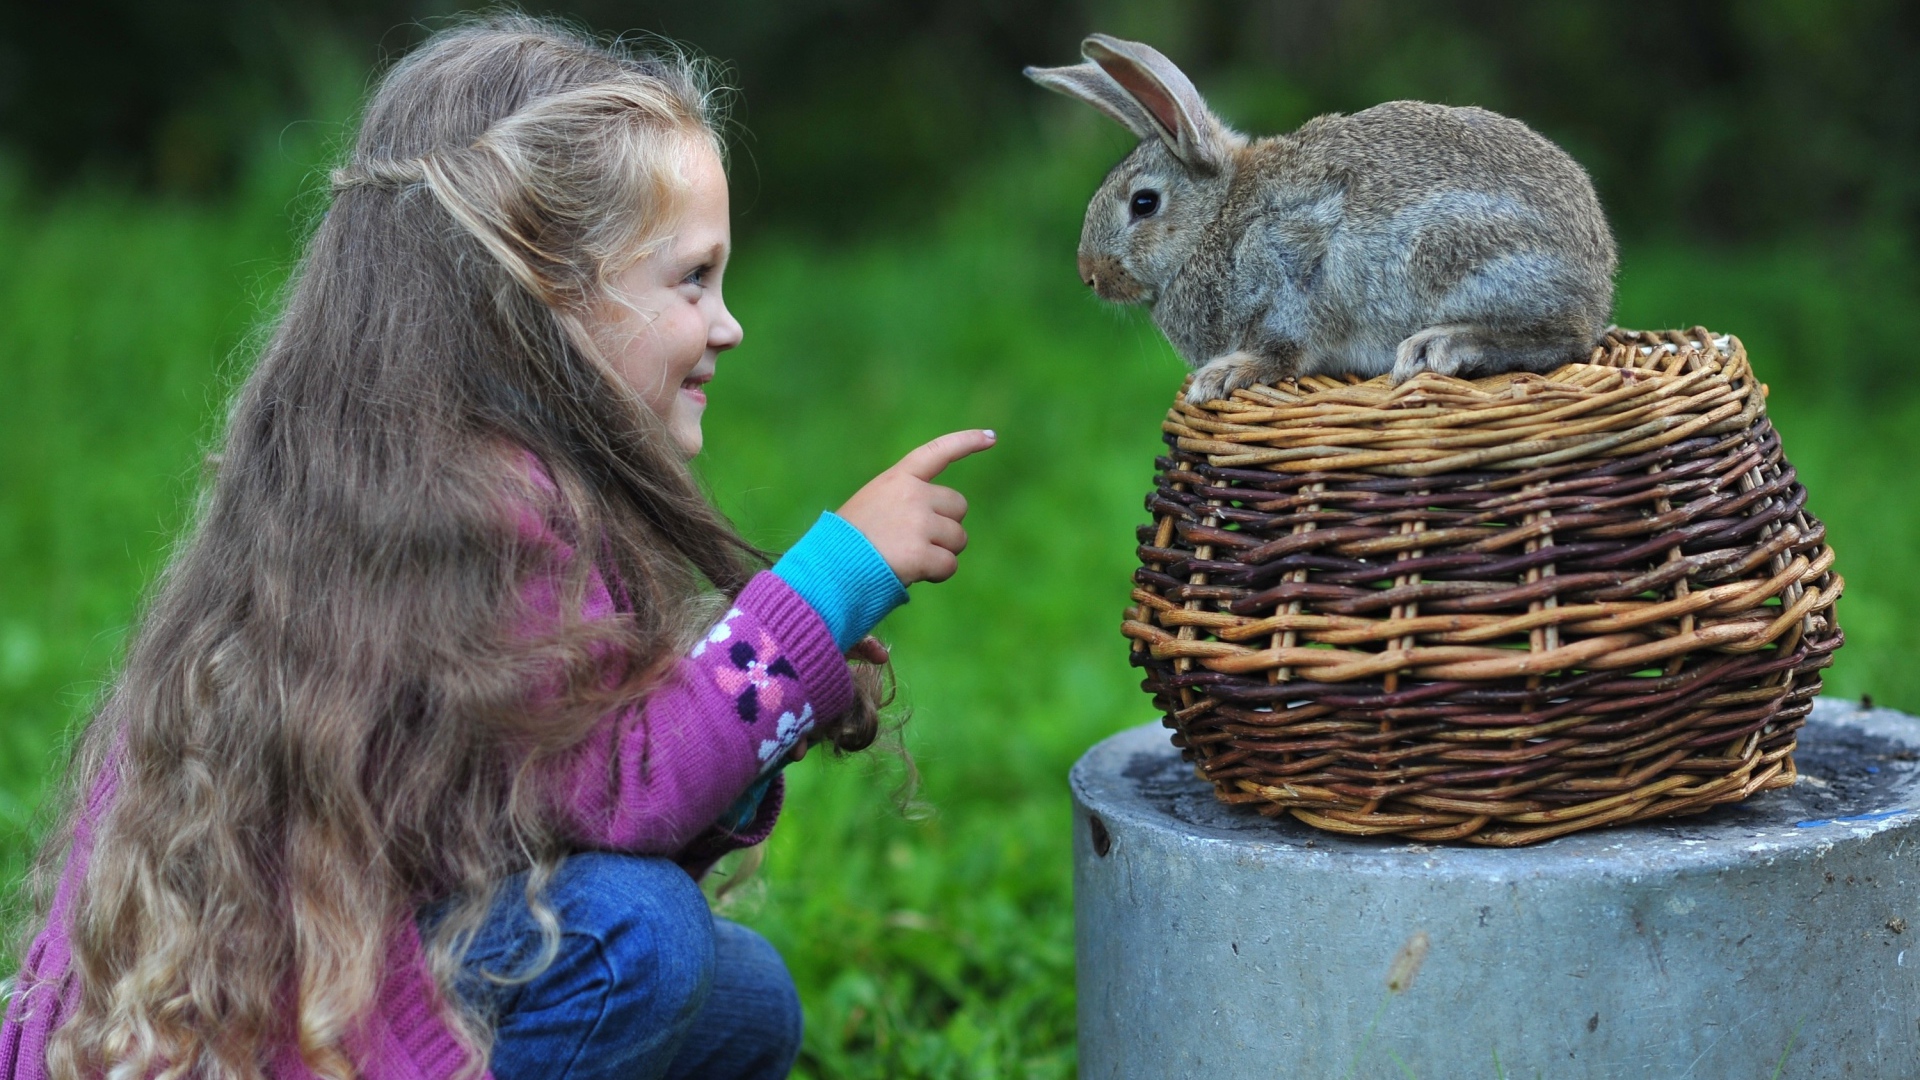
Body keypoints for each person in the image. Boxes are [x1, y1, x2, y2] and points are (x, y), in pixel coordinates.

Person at [0, 15, 991, 1080]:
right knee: (636, 939)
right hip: (271, 1044)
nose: (728, 323)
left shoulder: (439, 476)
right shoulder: (465, 504)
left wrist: (768, 699)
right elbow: (628, 791)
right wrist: (829, 586)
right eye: (693, 279)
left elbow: (573, 809)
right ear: (544, 291)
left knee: (745, 1003)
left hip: (340, 999)